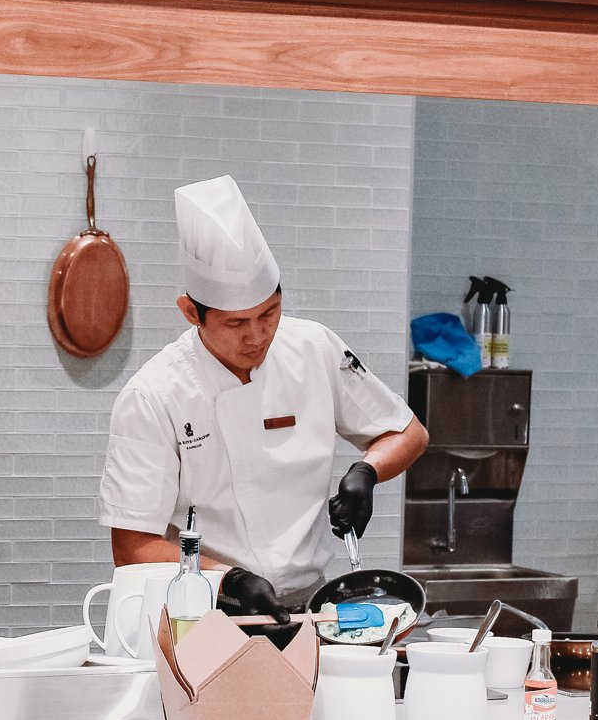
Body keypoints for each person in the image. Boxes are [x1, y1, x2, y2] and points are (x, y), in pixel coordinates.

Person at [98, 175, 429, 619]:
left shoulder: (314, 347)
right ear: (191, 312)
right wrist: (225, 580)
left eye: (269, 313)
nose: (257, 336)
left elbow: (408, 433)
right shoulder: (154, 395)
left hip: (312, 609)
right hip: (206, 611)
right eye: (236, 324)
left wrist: (367, 470)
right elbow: (132, 545)